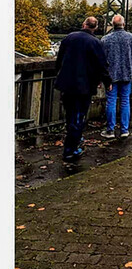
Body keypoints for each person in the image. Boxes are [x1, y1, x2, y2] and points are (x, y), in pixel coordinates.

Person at [54, 16, 109, 163]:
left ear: (83, 24)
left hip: (67, 85)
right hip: (84, 87)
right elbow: (102, 66)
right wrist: (106, 82)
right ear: (95, 28)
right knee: (78, 118)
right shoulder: (96, 43)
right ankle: (70, 150)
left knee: (70, 116)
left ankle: (73, 142)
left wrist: (59, 74)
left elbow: (59, 60)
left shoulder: (69, 38)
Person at [101, 14, 132, 139]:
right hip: (127, 75)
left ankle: (110, 130)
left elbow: (102, 61)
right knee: (125, 102)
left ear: (112, 25)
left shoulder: (105, 39)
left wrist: (102, 77)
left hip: (111, 77)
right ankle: (124, 130)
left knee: (111, 102)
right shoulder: (131, 38)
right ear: (123, 24)